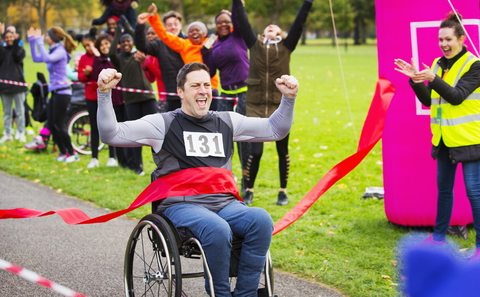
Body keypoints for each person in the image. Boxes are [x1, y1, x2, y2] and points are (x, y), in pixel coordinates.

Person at [96, 62, 298, 297]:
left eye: (207, 84)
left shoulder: (226, 121)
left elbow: (276, 130)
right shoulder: (162, 124)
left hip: (224, 204)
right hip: (181, 206)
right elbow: (111, 134)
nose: (203, 90)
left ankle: (246, 294)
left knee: (261, 219)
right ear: (180, 91)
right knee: (217, 228)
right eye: (195, 85)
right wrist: (104, 94)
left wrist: (289, 99)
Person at [394, 12, 480, 262]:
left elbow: (456, 96)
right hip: (443, 140)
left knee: (475, 193)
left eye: (449, 39)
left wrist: (433, 78)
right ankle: (439, 237)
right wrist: (415, 79)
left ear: (462, 39)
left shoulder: (475, 65)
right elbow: (428, 100)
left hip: (470, 139)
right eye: (441, 39)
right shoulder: (437, 64)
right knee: (444, 191)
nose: (443, 44)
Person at [234, 0, 313, 205]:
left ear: (281, 33)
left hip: (281, 104)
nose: (270, 26)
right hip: (255, 104)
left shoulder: (287, 46)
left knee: (282, 150)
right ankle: (249, 190)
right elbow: (243, 22)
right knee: (256, 151)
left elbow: (299, 23)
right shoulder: (255, 44)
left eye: (275, 26)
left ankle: (282, 191)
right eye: (268, 26)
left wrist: (307, 3)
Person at [200, 6, 250, 192]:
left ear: (232, 24)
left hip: (244, 93)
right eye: (219, 22)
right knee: (223, 139)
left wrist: (235, 6)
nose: (223, 24)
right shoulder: (215, 46)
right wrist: (205, 52)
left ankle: (247, 182)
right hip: (225, 96)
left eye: (226, 22)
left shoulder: (238, 37)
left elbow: (239, 18)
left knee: (244, 139)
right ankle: (225, 179)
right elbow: (211, 71)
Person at [142, 4, 220, 99]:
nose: (194, 32)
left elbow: (227, 34)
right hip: (194, 90)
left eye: (197, 30)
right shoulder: (184, 44)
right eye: (191, 31)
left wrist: (228, 16)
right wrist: (154, 17)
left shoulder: (211, 43)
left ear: (204, 33)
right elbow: (164, 35)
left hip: (211, 88)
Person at [109, 22, 156, 175]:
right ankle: (138, 165)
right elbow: (111, 53)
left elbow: (139, 38)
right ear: (120, 45)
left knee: (155, 132)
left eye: (128, 40)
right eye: (123, 42)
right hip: (131, 102)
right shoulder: (120, 59)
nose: (126, 43)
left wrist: (128, 27)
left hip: (147, 98)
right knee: (136, 135)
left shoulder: (139, 54)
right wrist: (118, 33)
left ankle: (161, 164)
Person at [27, 26, 80, 162]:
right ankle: (63, 152)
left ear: (54, 37)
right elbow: (36, 58)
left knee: (59, 124)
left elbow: (46, 59)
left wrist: (39, 41)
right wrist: (32, 41)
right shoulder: (54, 50)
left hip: (63, 93)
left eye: (47, 36)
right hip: (55, 93)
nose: (46, 38)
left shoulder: (61, 51)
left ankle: (72, 153)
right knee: (51, 123)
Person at [91, 33, 133, 170]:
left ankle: (128, 160)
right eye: (102, 45)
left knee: (125, 130)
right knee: (113, 130)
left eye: (107, 44)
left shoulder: (118, 56)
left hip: (124, 99)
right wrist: (98, 57)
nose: (104, 47)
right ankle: (118, 159)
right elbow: (94, 75)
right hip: (111, 101)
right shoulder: (99, 60)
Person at [134, 10, 186, 111]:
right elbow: (142, 45)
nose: (173, 27)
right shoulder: (159, 44)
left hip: (190, 95)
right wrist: (140, 25)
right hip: (171, 96)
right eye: (169, 25)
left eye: (175, 24)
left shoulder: (188, 42)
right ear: (165, 27)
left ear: (180, 25)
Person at [0, 24, 28, 143]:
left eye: (11, 37)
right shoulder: (2, 50)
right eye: (6, 37)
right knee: (7, 111)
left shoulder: (18, 49)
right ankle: (7, 133)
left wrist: (16, 43)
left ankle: (21, 132)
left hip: (18, 85)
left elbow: (18, 57)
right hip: (5, 86)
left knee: (20, 110)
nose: (9, 39)